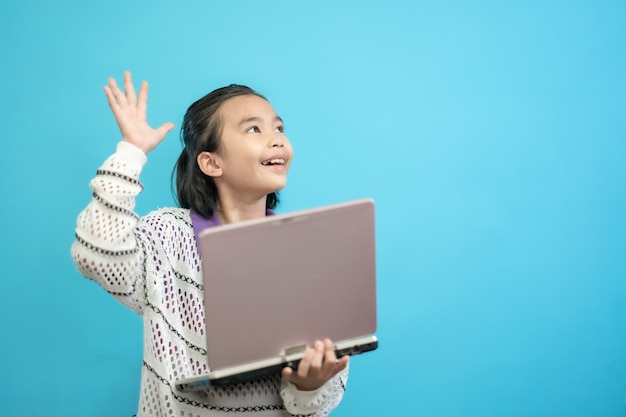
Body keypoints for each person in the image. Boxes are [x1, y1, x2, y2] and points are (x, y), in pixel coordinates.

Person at [71, 71, 349, 417]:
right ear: (211, 162)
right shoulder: (168, 237)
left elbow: (313, 404)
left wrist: (311, 384)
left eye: (279, 128)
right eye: (254, 129)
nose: (277, 139)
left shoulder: (304, 254)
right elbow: (97, 255)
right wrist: (132, 152)